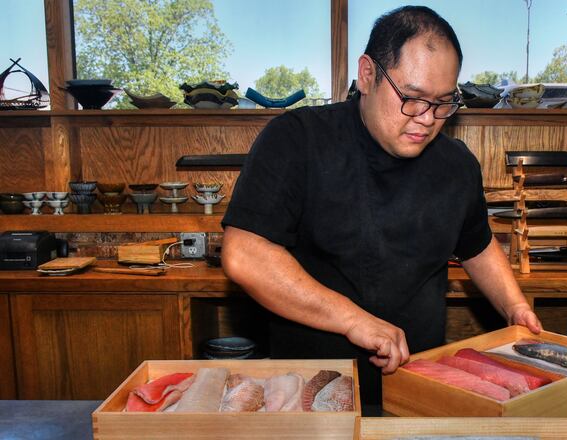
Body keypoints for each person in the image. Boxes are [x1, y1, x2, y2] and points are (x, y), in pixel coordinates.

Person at [221, 5, 542, 408]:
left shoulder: (456, 164)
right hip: (312, 387)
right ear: (368, 74)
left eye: (444, 102)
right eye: (412, 97)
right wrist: (356, 320)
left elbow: (477, 245)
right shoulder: (297, 140)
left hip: (418, 383)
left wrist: (514, 308)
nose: (427, 118)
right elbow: (245, 254)